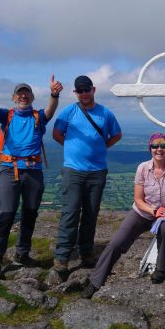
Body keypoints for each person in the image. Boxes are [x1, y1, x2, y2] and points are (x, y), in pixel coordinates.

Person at [0, 74, 63, 279]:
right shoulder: (6, 115)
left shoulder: (37, 116)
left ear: (32, 97)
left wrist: (54, 94)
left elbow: (50, 110)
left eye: (27, 93)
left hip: (33, 170)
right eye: (20, 93)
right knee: (6, 215)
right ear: (14, 98)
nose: (23, 95)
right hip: (9, 169)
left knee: (30, 213)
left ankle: (22, 254)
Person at [81, 132, 165, 298]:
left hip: (164, 214)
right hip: (143, 213)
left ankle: (161, 269)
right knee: (116, 243)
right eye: (155, 146)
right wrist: (153, 211)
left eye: (163, 146)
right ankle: (95, 281)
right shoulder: (143, 168)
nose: (159, 149)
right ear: (150, 149)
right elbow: (138, 199)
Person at [52, 75, 122, 278]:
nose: (83, 93)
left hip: (97, 172)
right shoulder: (69, 112)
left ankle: (86, 253)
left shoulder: (105, 113)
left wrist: (101, 147)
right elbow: (57, 134)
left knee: (91, 214)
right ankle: (62, 258)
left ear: (93, 89)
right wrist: (73, 150)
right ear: (75, 93)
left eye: (86, 89)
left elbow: (116, 135)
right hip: (73, 171)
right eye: (79, 90)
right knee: (70, 213)